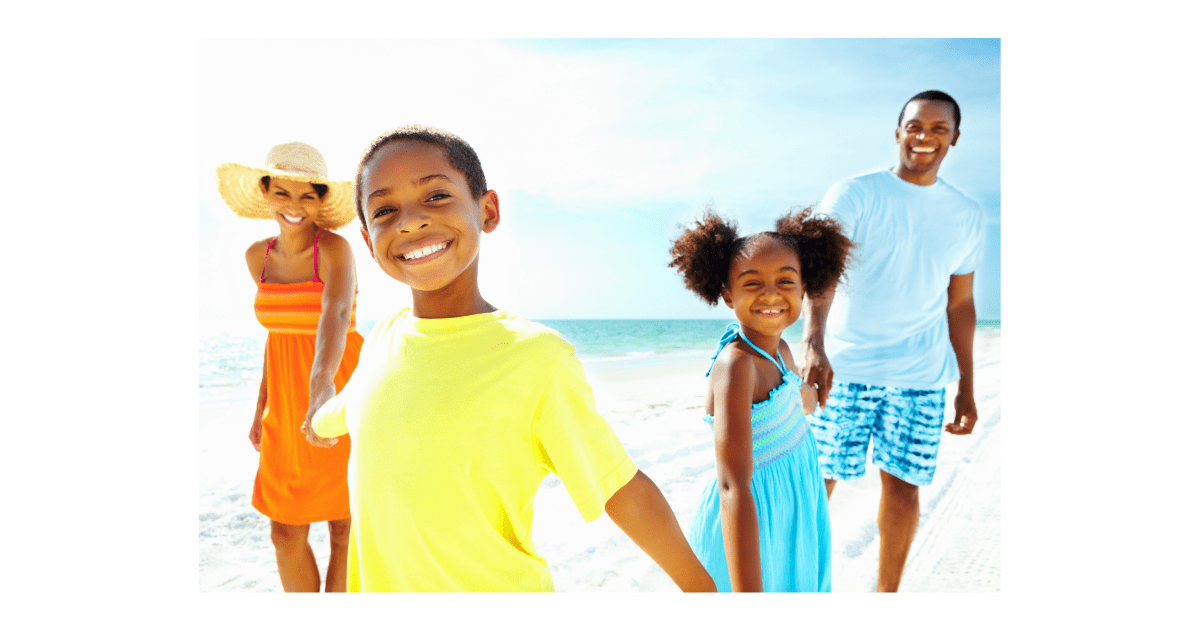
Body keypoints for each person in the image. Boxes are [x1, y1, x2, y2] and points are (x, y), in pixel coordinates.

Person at [305, 125, 716, 592]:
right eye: (385, 209)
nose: (410, 221)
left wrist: (704, 593)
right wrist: (314, 423)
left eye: (436, 196)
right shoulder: (383, 338)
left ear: (488, 210)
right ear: (367, 240)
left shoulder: (536, 357)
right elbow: (349, 409)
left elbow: (620, 488)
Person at [800, 90, 987, 592]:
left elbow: (960, 303)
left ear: (955, 137)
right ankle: (797, 591)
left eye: (938, 128)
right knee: (816, 489)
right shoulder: (855, 193)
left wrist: (967, 385)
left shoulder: (967, 214)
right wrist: (813, 342)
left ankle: (888, 599)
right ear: (898, 130)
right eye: (915, 126)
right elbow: (823, 274)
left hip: (920, 374)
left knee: (904, 489)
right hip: (846, 369)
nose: (924, 136)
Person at [667, 208, 852, 592]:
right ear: (727, 295)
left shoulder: (781, 350)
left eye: (786, 280)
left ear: (805, 289)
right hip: (752, 525)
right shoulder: (736, 366)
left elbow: (791, 404)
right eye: (752, 283)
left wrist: (813, 391)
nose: (771, 293)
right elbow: (733, 485)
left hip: (792, 509)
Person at [215, 141, 364, 592]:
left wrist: (321, 386)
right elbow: (276, 338)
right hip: (283, 407)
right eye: (282, 193)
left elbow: (337, 315)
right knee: (285, 533)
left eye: (307, 196)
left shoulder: (335, 250)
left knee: (344, 527)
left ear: (321, 201)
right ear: (265, 193)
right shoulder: (256, 258)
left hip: (338, 395)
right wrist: (260, 408)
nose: (294, 206)